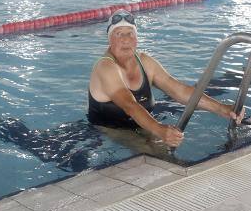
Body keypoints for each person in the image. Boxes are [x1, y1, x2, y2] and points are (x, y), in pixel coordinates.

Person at [88, 10, 243, 147]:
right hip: (108, 129)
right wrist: (159, 130)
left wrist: (221, 108)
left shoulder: (146, 62)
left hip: (141, 125)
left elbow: (179, 91)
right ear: (109, 40)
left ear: (137, 39)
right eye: (118, 33)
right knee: (159, 153)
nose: (125, 39)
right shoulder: (105, 67)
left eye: (130, 33)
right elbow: (130, 105)